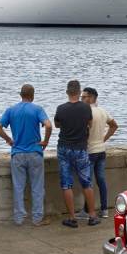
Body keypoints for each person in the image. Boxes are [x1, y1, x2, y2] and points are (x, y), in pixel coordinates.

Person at [0, 84, 52, 226]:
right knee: (37, 187)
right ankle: (37, 218)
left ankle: (19, 218)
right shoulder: (37, 109)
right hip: (34, 152)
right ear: (32, 96)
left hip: (18, 153)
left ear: (20, 95)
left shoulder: (11, 110)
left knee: (18, 187)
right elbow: (49, 125)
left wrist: (8, 139)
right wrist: (45, 141)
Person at [54, 79, 98, 228]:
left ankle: (72, 218)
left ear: (67, 92)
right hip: (81, 148)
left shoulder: (61, 108)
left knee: (66, 184)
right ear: (79, 93)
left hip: (64, 148)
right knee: (86, 182)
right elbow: (90, 124)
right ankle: (92, 216)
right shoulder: (86, 108)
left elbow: (57, 125)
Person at [81, 86, 118, 218]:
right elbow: (114, 126)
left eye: (84, 97)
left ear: (91, 98)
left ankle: (87, 210)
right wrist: (103, 139)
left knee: (87, 182)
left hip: (90, 151)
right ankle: (104, 209)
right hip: (101, 150)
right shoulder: (102, 111)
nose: (81, 99)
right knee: (101, 180)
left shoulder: (86, 112)